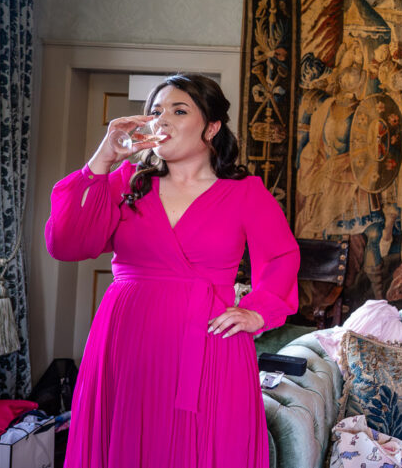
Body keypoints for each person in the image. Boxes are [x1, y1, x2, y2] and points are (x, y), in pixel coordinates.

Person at [45, 74, 299, 468]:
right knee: (126, 444)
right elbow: (66, 243)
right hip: (126, 339)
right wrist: (104, 159)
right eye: (156, 112)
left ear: (212, 127)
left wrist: (257, 309)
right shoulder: (125, 182)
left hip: (210, 342)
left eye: (179, 111)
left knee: (204, 448)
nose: (162, 120)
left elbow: (282, 257)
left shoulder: (246, 192)